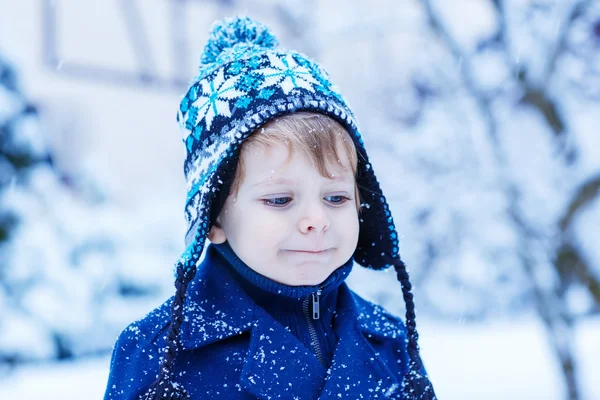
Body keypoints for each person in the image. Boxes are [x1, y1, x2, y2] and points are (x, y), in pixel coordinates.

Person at [104, 15, 437, 400]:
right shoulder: (162, 358)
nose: (316, 220)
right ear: (213, 217)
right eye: (280, 199)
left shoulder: (390, 342)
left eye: (336, 198)